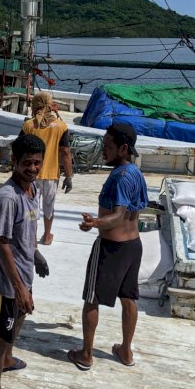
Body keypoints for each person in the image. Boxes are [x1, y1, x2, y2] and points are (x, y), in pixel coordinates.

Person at [67, 123, 148, 371]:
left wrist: (95, 222)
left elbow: (117, 216)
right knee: (128, 298)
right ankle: (125, 349)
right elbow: (137, 209)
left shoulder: (120, 177)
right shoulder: (135, 172)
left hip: (111, 249)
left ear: (123, 148)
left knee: (92, 298)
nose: (103, 150)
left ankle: (86, 354)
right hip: (133, 246)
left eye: (108, 147)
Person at [0, 134, 47, 389]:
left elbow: (28, 231)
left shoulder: (34, 189)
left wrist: (37, 256)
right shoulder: (8, 198)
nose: (32, 169)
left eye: (37, 163)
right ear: (14, 161)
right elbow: (2, 243)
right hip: (7, 282)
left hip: (25, 271)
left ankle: (8, 360)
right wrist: (19, 288)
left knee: (19, 318)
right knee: (1, 334)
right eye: (27, 163)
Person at [20, 91, 73, 246]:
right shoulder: (61, 126)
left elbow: (19, 148)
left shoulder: (29, 125)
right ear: (50, 105)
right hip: (50, 174)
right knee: (49, 206)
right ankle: (47, 235)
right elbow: (65, 152)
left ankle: (31, 238)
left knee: (31, 207)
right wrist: (68, 176)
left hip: (30, 175)